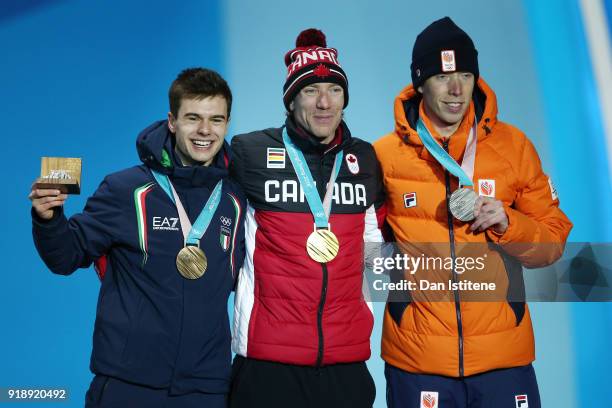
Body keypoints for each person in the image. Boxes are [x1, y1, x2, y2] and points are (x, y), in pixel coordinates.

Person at [374, 17, 572, 408]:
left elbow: (553, 243)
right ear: (419, 82)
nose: (456, 89)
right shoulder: (382, 156)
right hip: (418, 361)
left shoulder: (513, 147)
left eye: (465, 75)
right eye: (443, 76)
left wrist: (508, 223)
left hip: (504, 360)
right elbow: (357, 242)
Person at [29, 67, 245, 408]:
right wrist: (48, 218)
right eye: (193, 118)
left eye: (216, 120)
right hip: (128, 385)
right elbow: (65, 256)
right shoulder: (126, 189)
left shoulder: (235, 200)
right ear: (172, 121)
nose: (205, 131)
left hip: (206, 389)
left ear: (227, 123)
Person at [229, 29, 385, 408]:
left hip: (345, 364)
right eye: (311, 91)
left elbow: (379, 248)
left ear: (345, 98)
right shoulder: (250, 152)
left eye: (334, 90)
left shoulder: (365, 160)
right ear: (291, 101)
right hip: (267, 363)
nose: (324, 103)